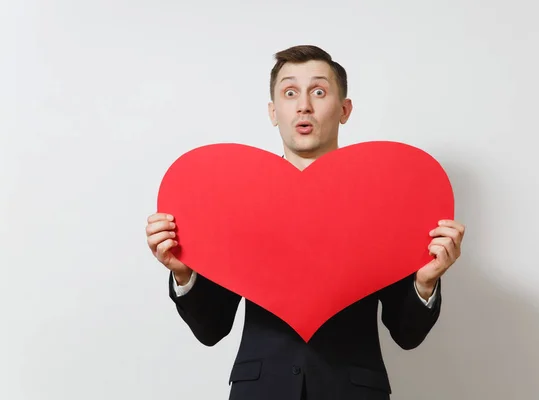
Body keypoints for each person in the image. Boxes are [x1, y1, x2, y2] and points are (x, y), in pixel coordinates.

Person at [145, 45, 465, 400]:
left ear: (344, 110)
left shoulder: (381, 201)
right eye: (290, 92)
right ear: (273, 112)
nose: (304, 106)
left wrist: (424, 282)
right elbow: (211, 329)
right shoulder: (239, 201)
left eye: (318, 91)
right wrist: (184, 274)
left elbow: (407, 335)